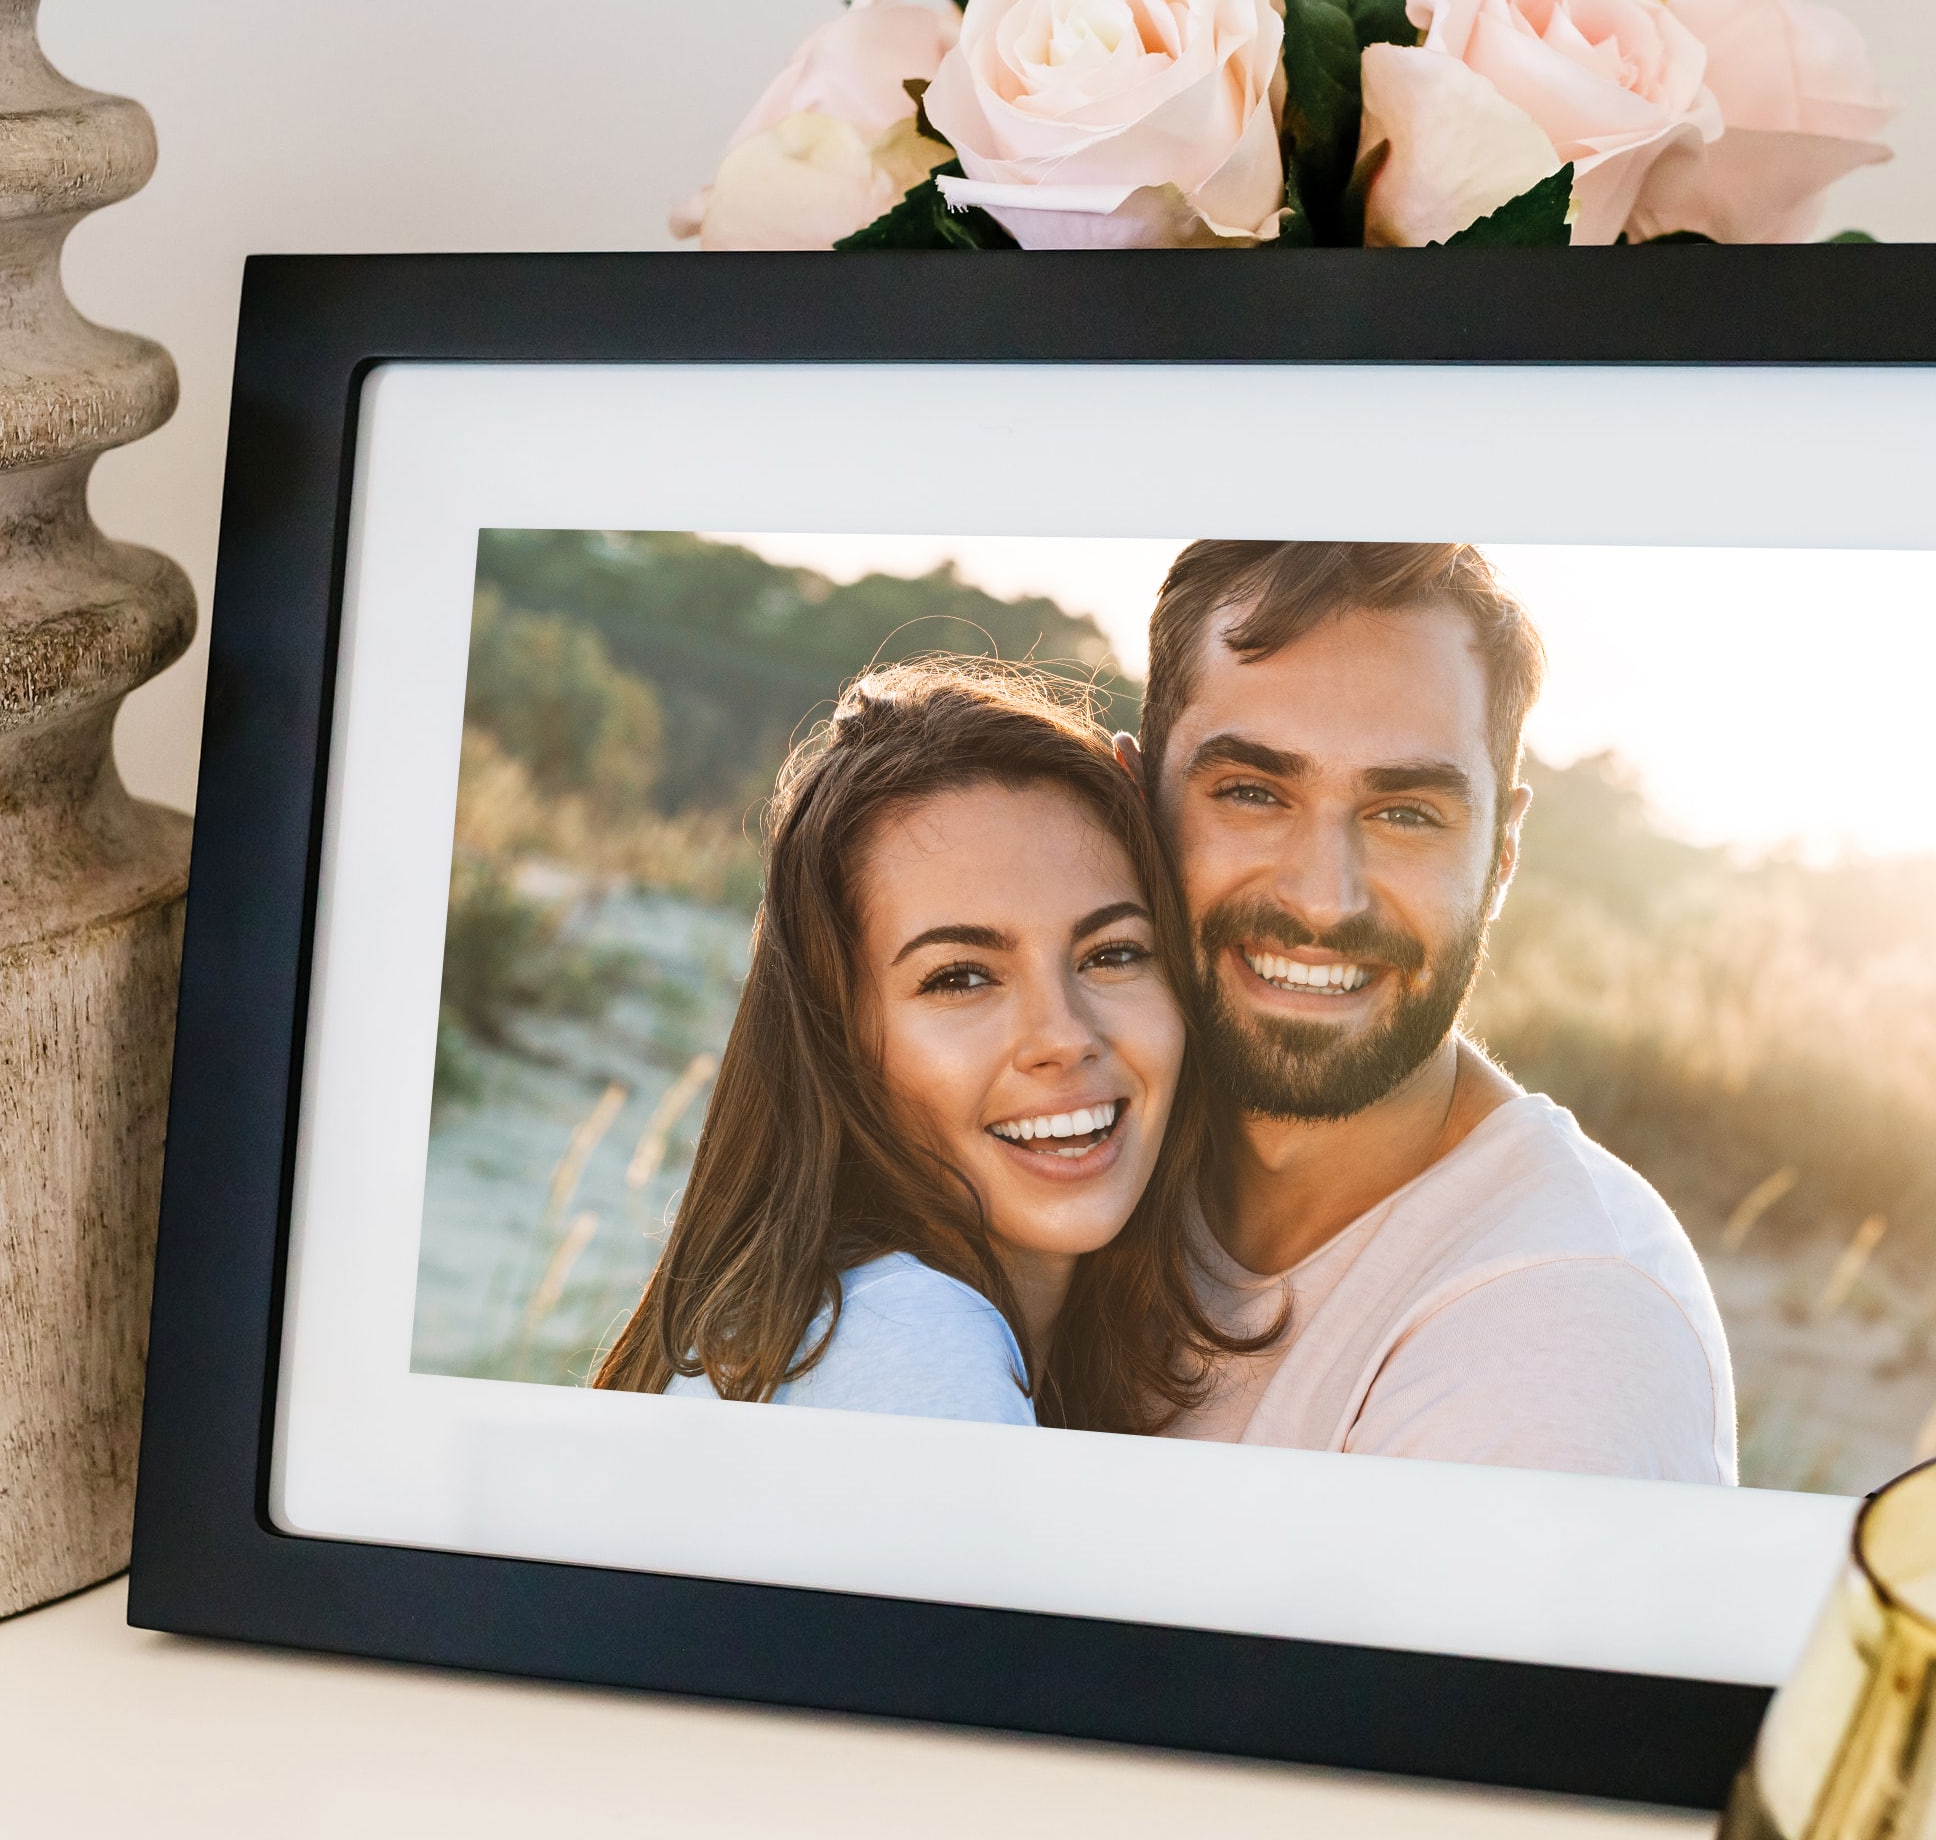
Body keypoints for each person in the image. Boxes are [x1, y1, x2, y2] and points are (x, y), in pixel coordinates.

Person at [1126, 541, 1737, 1483]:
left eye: (1406, 813)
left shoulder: (1566, 1333)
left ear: (1501, 856)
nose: (1324, 900)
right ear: (1135, 804)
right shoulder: (1076, 1160)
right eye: (1252, 792)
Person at [594, 658, 1255, 1431]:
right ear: (839, 1041)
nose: (1064, 1038)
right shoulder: (909, 1348)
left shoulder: (826, 1327)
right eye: (962, 978)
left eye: (1111, 955)